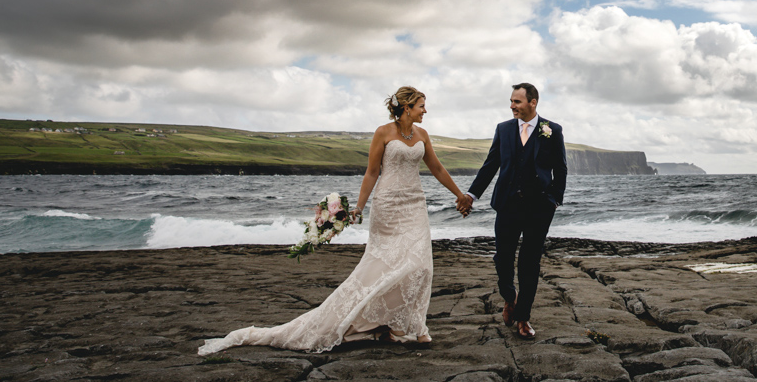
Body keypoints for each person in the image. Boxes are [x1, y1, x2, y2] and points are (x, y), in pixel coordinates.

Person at [198, 87, 468, 355]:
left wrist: (460, 195)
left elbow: (436, 168)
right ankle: (394, 327)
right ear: (407, 107)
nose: (425, 110)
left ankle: (411, 324)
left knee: (420, 266)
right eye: (422, 105)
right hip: (388, 207)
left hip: (415, 204)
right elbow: (372, 173)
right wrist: (359, 207)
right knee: (383, 267)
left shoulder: (422, 135)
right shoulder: (383, 133)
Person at [456, 83, 566, 339]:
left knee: (530, 262)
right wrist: (472, 195)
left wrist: (554, 200)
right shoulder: (503, 129)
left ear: (533, 102)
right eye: (511, 101)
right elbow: (491, 164)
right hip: (507, 204)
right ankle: (509, 296)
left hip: (539, 208)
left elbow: (560, 169)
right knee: (502, 258)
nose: (512, 106)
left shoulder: (552, 130)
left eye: (517, 101)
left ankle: (524, 317)